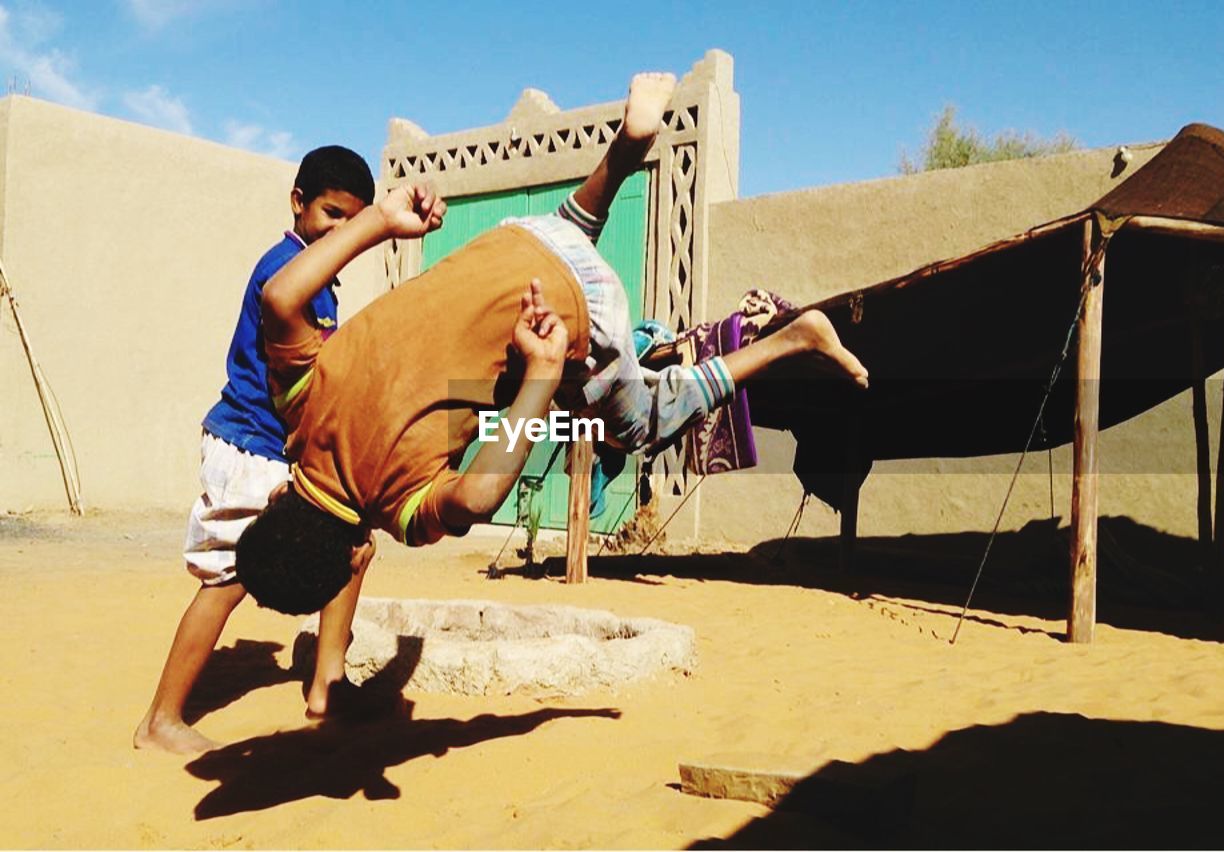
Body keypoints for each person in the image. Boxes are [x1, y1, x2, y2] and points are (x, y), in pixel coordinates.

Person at [236, 73, 869, 616]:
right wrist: (383, 220)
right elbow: (279, 300)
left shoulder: (400, 506)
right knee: (567, 230)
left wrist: (539, 376)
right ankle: (629, 146)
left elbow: (478, 496)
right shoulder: (299, 400)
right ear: (275, 499)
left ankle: (788, 342)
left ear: (353, 555)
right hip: (516, 242)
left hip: (580, 305)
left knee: (640, 424)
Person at [134, 146, 379, 754]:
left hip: (273, 450)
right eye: (331, 214)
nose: (341, 231)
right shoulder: (284, 272)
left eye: (355, 221)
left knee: (354, 543)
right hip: (248, 447)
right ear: (297, 204)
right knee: (229, 577)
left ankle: (327, 682)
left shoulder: (315, 278)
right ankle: (160, 721)